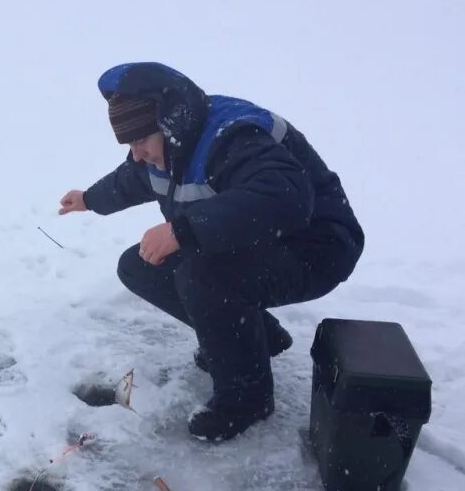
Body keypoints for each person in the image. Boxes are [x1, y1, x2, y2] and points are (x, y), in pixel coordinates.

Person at [59, 62, 364, 442]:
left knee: (204, 278)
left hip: (317, 245)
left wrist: (182, 229)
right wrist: (89, 199)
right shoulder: (166, 145)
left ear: (169, 125)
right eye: (130, 145)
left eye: (141, 142)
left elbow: (284, 197)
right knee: (139, 266)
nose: (137, 154)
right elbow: (131, 179)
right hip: (257, 241)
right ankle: (254, 338)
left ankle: (247, 397)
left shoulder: (232, 137)